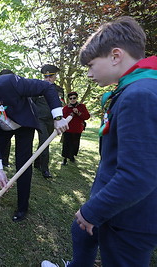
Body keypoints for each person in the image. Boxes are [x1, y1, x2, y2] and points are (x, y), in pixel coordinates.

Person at [43, 16, 157, 267]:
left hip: (131, 219)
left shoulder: (140, 95)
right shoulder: (136, 89)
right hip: (118, 208)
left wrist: (92, 212)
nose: (89, 73)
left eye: (92, 65)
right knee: (80, 233)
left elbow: (138, 175)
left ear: (116, 56)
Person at [0, 78, 68, 222]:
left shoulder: (9, 83)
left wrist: (58, 117)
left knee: (23, 163)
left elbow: (47, 87)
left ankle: (22, 207)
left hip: (23, 124)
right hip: (0, 129)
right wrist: (0, 170)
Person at [33, 64, 65, 178]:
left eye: (50, 77)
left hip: (52, 121)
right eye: (46, 77)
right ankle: (45, 169)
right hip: (40, 120)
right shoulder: (37, 88)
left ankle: (36, 162)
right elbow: (32, 104)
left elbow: (60, 106)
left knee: (44, 142)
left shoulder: (59, 90)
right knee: (45, 142)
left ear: (55, 76)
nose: (48, 79)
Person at [61, 91, 90, 165]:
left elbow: (87, 116)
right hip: (68, 129)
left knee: (75, 144)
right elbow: (62, 118)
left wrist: (78, 112)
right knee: (66, 144)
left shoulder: (82, 106)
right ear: (69, 99)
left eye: (74, 98)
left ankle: (72, 156)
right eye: (70, 98)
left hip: (77, 129)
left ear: (76, 98)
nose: (72, 99)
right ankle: (65, 159)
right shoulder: (66, 108)